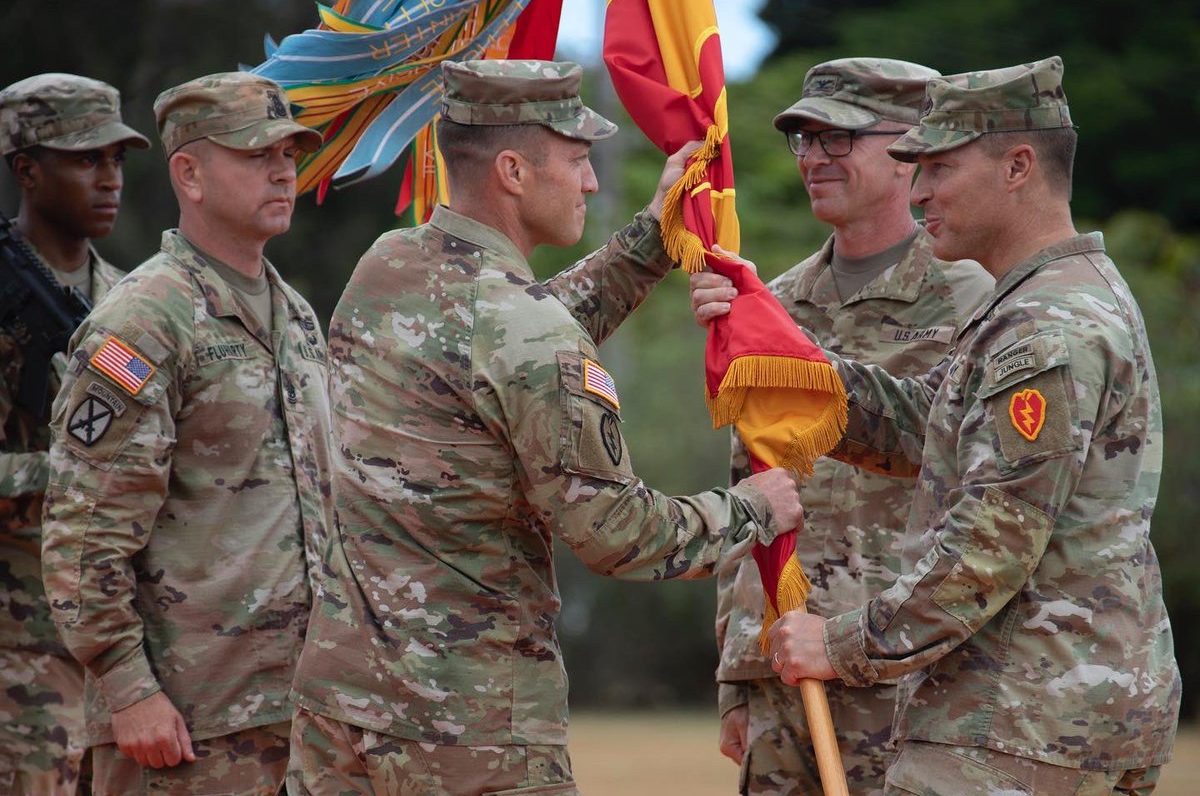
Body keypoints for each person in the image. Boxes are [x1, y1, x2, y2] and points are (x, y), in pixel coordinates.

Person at [286, 59, 804, 796]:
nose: (592, 181)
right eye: (578, 158)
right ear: (512, 171)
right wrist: (751, 509)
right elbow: (619, 534)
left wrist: (651, 241)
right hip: (469, 724)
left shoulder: (388, 267)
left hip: (341, 702)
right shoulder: (523, 332)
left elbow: (511, 338)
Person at [695, 57, 1180, 794]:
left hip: (1020, 724)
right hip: (1022, 716)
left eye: (939, 168)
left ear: (1018, 166)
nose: (918, 191)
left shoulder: (1044, 328)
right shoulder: (1029, 307)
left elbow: (991, 544)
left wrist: (841, 641)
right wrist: (783, 361)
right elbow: (926, 427)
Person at [697, 58, 993, 796]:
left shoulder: (973, 296)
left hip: (910, 674)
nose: (816, 159)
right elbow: (752, 491)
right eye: (804, 140)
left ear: (910, 155)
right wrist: (739, 672)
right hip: (787, 675)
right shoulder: (779, 301)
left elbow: (979, 483)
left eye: (841, 139)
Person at [41, 72, 331, 796]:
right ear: (190, 174)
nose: (281, 171)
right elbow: (84, 530)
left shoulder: (295, 316)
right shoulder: (145, 321)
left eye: (290, 155)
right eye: (255, 153)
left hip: (301, 715)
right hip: (182, 728)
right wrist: (127, 688)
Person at [0, 72, 149, 796]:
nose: (109, 179)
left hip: (120, 648)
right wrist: (67, 472)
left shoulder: (130, 301)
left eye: (117, 160)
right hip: (21, 648)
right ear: (28, 170)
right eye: (87, 160)